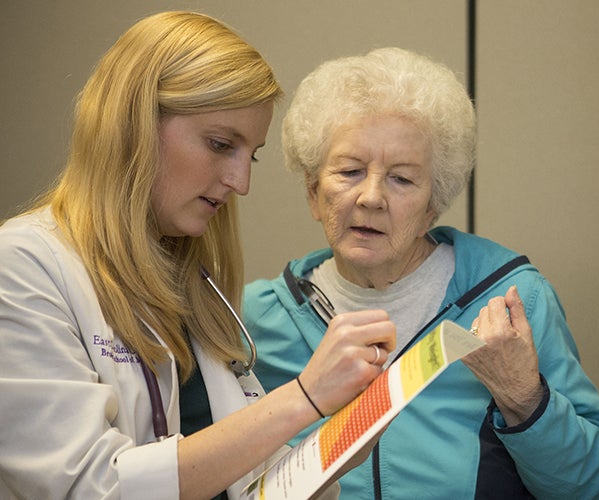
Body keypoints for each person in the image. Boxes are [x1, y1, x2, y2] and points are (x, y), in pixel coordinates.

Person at [0, 12, 395, 499]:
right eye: (221, 144)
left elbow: (250, 484)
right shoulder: (23, 266)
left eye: (249, 155)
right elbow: (90, 487)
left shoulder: (195, 287)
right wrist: (303, 400)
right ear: (135, 125)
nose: (241, 182)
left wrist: (334, 447)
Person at [243, 47, 599, 499]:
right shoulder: (255, 321)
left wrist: (524, 397)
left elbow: (593, 486)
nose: (371, 197)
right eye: (349, 171)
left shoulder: (512, 303)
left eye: (402, 179)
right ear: (313, 192)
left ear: (432, 207)